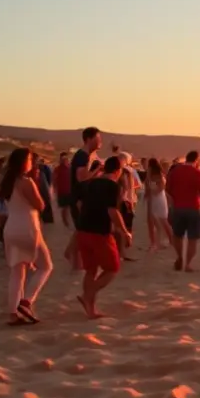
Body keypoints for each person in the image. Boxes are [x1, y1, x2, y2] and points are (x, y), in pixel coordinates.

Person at [0, 148, 53, 325]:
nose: (32, 162)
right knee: (45, 266)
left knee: (17, 272)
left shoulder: (6, 180)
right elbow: (40, 205)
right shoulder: (26, 181)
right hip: (28, 228)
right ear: (24, 162)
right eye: (30, 159)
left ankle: (13, 313)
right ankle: (27, 301)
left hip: (11, 227)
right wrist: (36, 182)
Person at [76, 155, 130, 319]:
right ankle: (88, 295)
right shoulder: (113, 186)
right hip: (99, 232)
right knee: (112, 268)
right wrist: (124, 231)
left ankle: (90, 309)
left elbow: (80, 204)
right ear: (117, 170)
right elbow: (112, 211)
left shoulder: (92, 182)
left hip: (83, 229)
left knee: (91, 269)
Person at [164, 150, 200, 272]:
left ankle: (180, 257)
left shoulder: (175, 171)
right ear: (197, 160)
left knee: (177, 236)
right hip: (193, 208)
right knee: (192, 239)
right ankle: (187, 264)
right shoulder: (198, 173)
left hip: (178, 208)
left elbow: (167, 190)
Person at [66, 127, 105, 269]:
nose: (100, 141)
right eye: (98, 138)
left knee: (82, 229)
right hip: (79, 198)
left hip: (83, 197)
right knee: (82, 229)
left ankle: (72, 256)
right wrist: (97, 170)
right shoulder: (82, 156)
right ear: (89, 139)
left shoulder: (89, 155)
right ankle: (74, 260)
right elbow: (81, 177)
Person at [117, 152, 142, 262]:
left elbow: (126, 188)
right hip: (127, 201)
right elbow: (135, 185)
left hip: (124, 201)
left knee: (121, 227)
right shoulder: (129, 171)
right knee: (125, 227)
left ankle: (121, 251)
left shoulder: (123, 171)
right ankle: (122, 252)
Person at [144, 157, 172, 250]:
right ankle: (154, 243)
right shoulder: (150, 175)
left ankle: (171, 239)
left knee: (163, 219)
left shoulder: (160, 176)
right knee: (151, 221)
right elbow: (147, 186)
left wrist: (151, 191)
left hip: (158, 198)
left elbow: (160, 189)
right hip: (152, 199)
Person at [54, 152, 73, 227]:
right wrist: (55, 189)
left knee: (68, 207)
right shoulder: (57, 169)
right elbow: (54, 179)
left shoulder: (70, 168)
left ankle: (67, 221)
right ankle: (65, 222)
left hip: (69, 190)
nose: (65, 160)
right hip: (62, 190)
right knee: (64, 207)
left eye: (66, 158)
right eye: (63, 159)